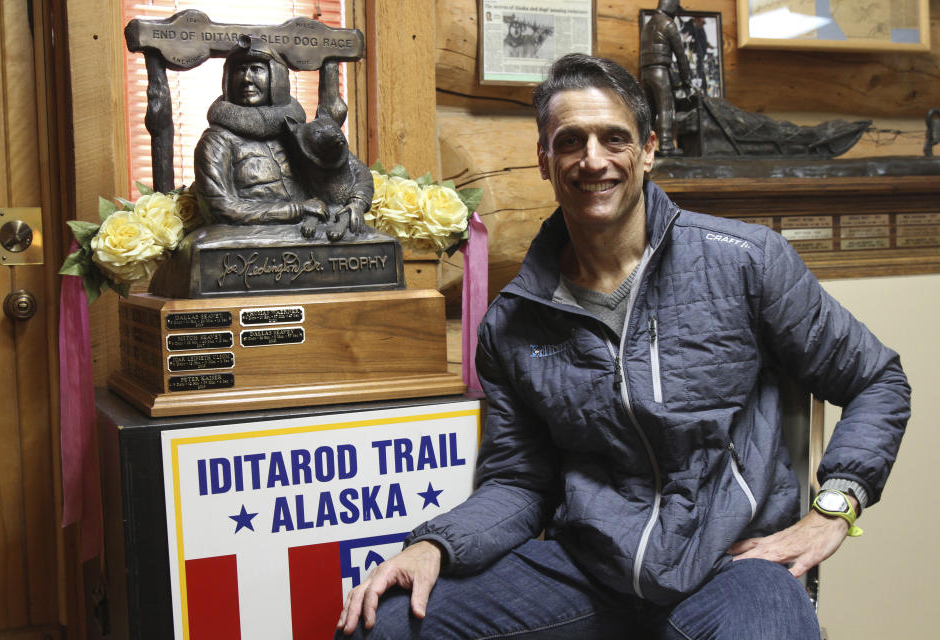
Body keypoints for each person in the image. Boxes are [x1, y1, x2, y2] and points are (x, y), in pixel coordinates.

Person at [336, 53, 910, 639]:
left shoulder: (743, 262)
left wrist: (833, 508)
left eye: (614, 138)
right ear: (543, 158)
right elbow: (519, 481)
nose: (593, 160)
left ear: (648, 149)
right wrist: (436, 545)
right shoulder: (513, 323)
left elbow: (876, 379)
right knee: (381, 627)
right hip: (587, 572)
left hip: (732, 565)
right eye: (570, 141)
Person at [194, 36, 312, 225]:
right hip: (246, 242)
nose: (247, 79)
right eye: (240, 70)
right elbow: (219, 208)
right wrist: (298, 209)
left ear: (276, 76)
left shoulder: (295, 133)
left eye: (256, 69)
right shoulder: (216, 141)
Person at [640, 0, 693, 155]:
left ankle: (645, 148)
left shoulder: (648, 25)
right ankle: (667, 145)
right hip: (660, 72)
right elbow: (681, 55)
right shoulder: (668, 24)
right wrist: (686, 79)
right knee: (665, 109)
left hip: (645, 73)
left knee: (649, 112)